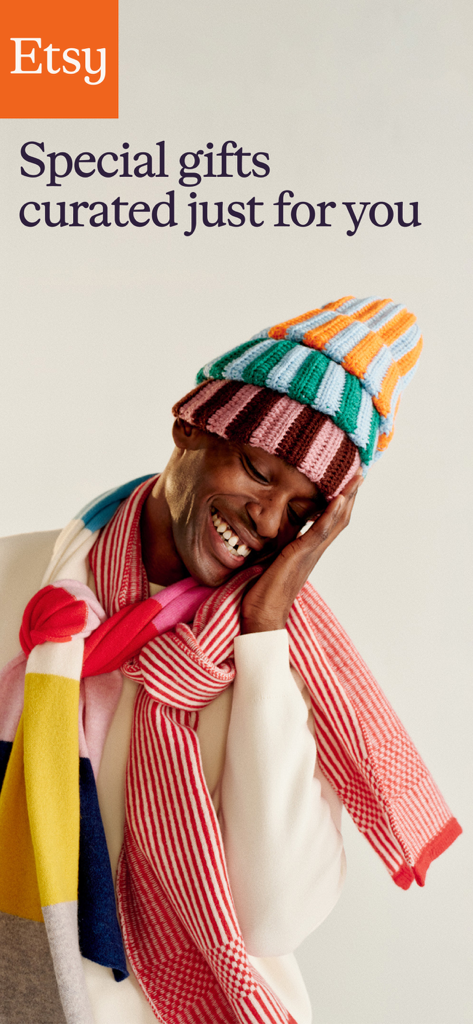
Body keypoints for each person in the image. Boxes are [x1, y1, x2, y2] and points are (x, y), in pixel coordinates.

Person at [0, 296, 461, 1024]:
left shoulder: (281, 670)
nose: (270, 521)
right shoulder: (14, 579)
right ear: (190, 425)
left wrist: (264, 634)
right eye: (257, 470)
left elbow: (273, 916)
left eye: (303, 511)